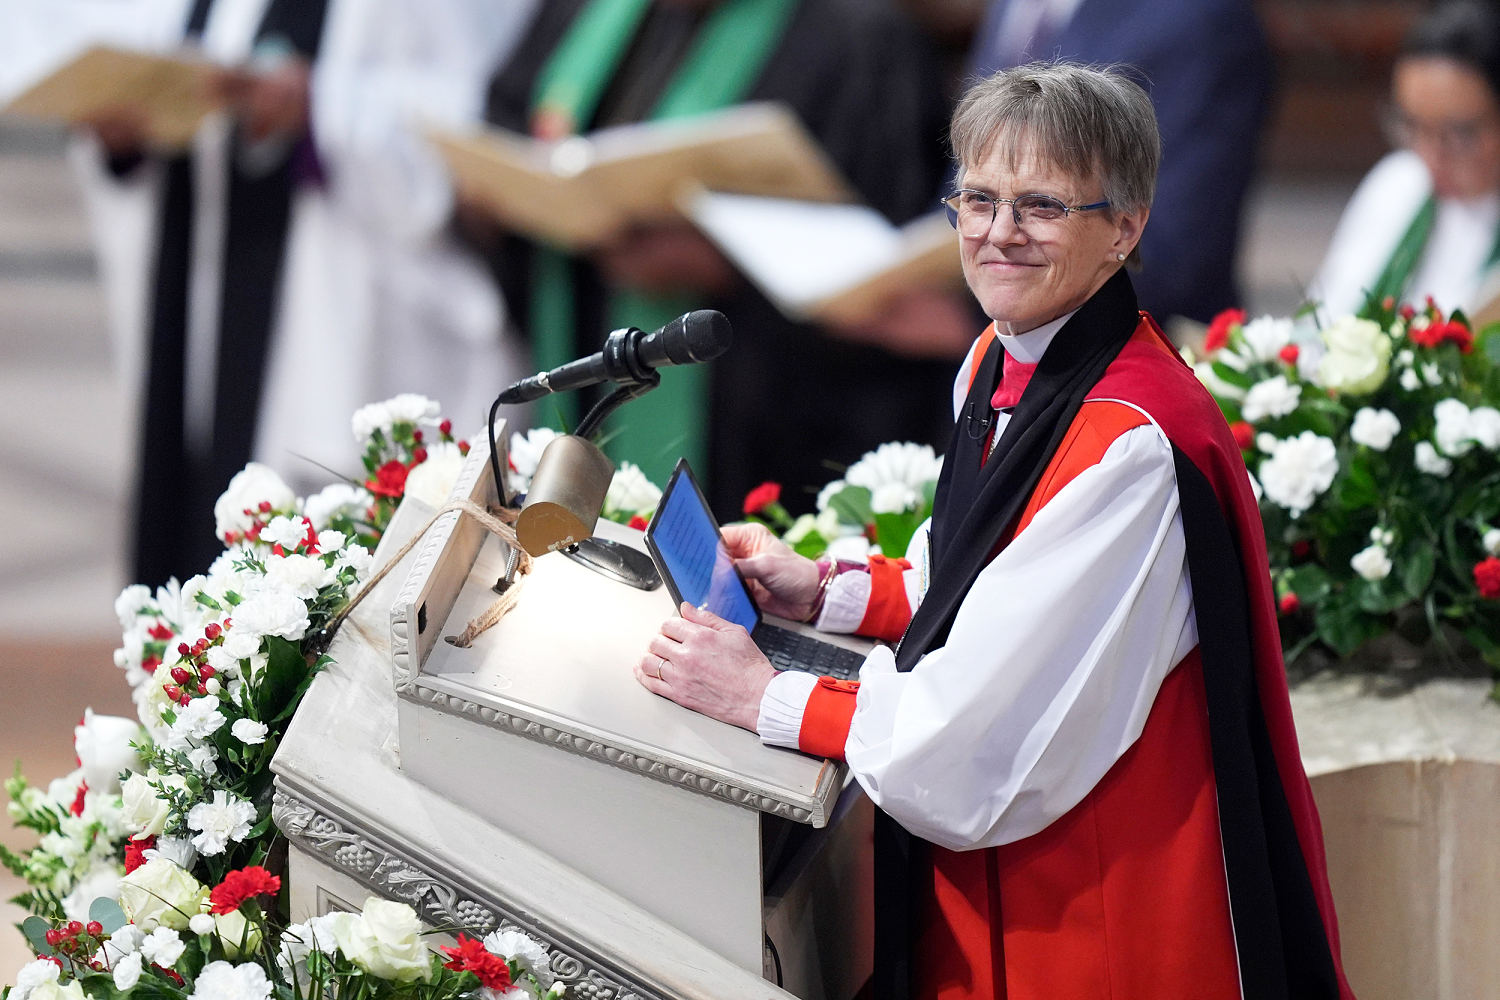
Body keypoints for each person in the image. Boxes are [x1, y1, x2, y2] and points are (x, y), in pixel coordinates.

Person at [636, 63, 1354, 999]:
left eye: (1042, 206)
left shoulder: (1128, 442)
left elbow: (966, 742)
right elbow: (981, 573)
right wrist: (830, 591)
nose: (997, 234)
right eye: (977, 198)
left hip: (1095, 908)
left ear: (1125, 227)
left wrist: (762, 695)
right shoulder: (1003, 356)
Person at [62, 0, 534, 587]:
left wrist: (323, 106)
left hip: (348, 309)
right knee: (197, 550)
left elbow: (479, 110)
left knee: (315, 589)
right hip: (199, 293)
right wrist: (125, 128)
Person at [478, 0, 957, 517]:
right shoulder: (587, 12)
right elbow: (508, 116)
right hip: (584, 323)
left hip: (752, 415)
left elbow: (888, 265)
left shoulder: (859, 36)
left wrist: (730, 263)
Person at [966, 0, 1273, 327]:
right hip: (981, 340)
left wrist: (970, 314)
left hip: (1132, 343)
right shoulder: (1015, 7)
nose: (1001, 234)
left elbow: (1175, 252)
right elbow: (971, 165)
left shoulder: (1198, 18)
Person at [1313, 0, 1500, 320]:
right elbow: (1320, 324)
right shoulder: (1398, 182)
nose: (1430, 155)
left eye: (1458, 134)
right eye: (1412, 126)